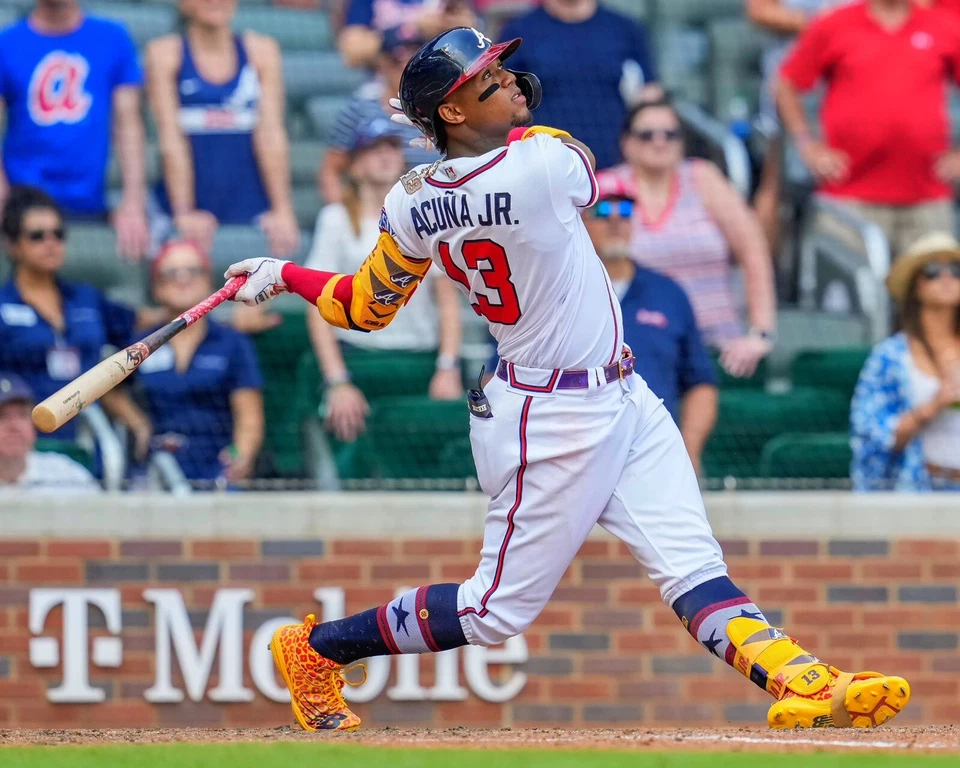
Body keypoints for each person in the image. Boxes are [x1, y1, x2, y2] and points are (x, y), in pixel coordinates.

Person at [225, 27, 910, 732]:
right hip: (545, 418)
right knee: (494, 611)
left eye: (502, 71)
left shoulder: (409, 197)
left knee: (690, 561)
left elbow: (364, 306)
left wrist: (282, 274)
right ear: (452, 114)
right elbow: (577, 155)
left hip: (620, 394)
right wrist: (512, 126)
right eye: (489, 81)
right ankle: (315, 649)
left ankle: (802, 680)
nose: (512, 83)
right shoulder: (543, 164)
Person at [307, 120, 462, 444]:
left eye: (391, 148)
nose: (385, 156)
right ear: (355, 165)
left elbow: (448, 304)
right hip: (358, 358)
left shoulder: (425, 216)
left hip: (418, 360)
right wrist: (337, 381)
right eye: (373, 149)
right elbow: (318, 307)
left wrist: (448, 367)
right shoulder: (335, 219)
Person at [599, 99, 777, 379]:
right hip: (640, 348)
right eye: (647, 135)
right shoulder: (607, 188)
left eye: (670, 134)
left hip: (719, 347)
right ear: (627, 142)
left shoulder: (703, 177)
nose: (660, 142)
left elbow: (753, 249)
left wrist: (760, 332)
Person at [777, 0, 960, 260]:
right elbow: (786, 85)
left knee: (933, 292)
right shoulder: (834, 23)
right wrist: (808, 146)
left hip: (926, 195)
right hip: (849, 195)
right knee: (849, 293)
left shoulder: (944, 25)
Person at [0, 186, 153, 450]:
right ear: (13, 245)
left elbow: (139, 322)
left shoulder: (86, 298)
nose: (51, 242)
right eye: (37, 235)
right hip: (22, 441)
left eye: (58, 234)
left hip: (88, 437)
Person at [146, 0, 299, 258]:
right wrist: (184, 212)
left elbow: (271, 134)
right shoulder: (165, 53)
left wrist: (282, 209)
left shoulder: (261, 51)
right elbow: (171, 141)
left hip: (249, 199)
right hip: (184, 199)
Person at [586, 175, 717, 476]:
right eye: (604, 212)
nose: (617, 221)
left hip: (652, 458)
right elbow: (500, 374)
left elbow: (700, 382)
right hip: (576, 457)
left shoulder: (668, 293)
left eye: (627, 212)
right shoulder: (555, 292)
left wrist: (688, 450)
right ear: (581, 221)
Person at [0, 0, 149, 260]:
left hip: (90, 200)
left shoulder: (112, 38)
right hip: (22, 200)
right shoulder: (7, 43)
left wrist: (133, 204)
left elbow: (128, 124)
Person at [135, 240, 264, 485]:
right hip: (151, 466)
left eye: (193, 271)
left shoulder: (232, 343)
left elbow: (249, 416)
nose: (183, 279)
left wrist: (241, 455)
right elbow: (110, 392)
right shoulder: (140, 343)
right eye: (172, 273)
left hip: (215, 466)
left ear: (208, 281)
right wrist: (136, 421)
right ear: (156, 287)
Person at [851, 232, 960, 491]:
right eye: (933, 270)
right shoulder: (889, 357)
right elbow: (870, 434)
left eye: (956, 270)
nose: (947, 278)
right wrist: (933, 406)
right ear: (916, 286)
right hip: (919, 489)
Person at [500, 0, 660, 171]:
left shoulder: (624, 28)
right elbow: (502, 97)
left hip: (614, 166)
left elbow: (650, 96)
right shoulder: (519, 31)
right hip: (544, 165)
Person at [746, 0, 847, 251]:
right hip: (796, 86)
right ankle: (768, 279)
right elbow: (759, 11)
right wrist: (831, 22)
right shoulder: (837, 20)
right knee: (776, 183)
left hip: (855, 80)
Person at [319, 25, 436, 204]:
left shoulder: (442, 111)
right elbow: (331, 169)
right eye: (397, 60)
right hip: (378, 216)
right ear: (382, 61)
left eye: (414, 60)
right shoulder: (360, 108)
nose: (406, 68)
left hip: (437, 213)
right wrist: (347, 218)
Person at [0, 372, 101, 495]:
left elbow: (103, 509)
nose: (14, 426)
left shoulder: (64, 473)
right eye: (3, 416)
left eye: (23, 415)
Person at [339, 0, 478, 69]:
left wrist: (450, 26)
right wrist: (411, 28)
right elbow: (352, 53)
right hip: (385, 87)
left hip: (439, 80)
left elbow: (472, 34)